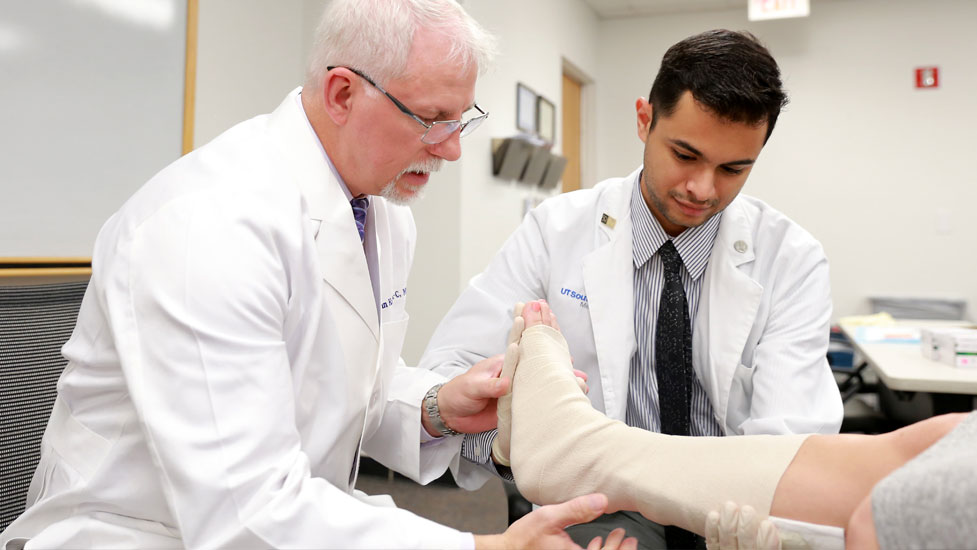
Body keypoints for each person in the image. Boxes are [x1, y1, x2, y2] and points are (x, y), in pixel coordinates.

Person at [0, 1, 624, 549]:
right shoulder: (210, 227)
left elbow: (334, 389)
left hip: (290, 519)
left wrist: (437, 407)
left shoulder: (379, 208)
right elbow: (246, 514)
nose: (452, 149)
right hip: (139, 532)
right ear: (343, 93)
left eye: (462, 120)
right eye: (432, 119)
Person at [419, 28, 843, 548]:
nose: (703, 189)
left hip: (733, 503)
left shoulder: (791, 258)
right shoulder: (556, 231)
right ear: (645, 120)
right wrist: (511, 438)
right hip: (604, 497)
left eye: (734, 169)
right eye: (685, 155)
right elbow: (448, 372)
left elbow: (793, 434)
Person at [504, 300, 975, 550]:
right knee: (944, 438)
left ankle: (581, 447)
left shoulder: (789, 247)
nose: (702, 187)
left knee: (887, 511)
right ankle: (580, 446)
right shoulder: (562, 223)